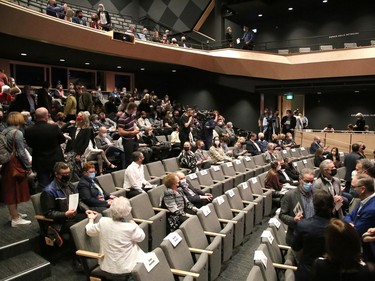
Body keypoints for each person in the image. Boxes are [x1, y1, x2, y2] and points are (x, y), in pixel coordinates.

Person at [85, 197, 145, 277]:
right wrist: (136, 225)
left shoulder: (103, 221)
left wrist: (91, 220)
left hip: (107, 266)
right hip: (127, 268)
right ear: (128, 211)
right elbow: (141, 237)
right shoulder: (131, 227)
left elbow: (89, 231)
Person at [41, 162, 90, 246]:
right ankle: (77, 253)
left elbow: (79, 201)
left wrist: (87, 209)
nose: (67, 175)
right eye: (64, 174)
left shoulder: (70, 186)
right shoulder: (49, 191)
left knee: (90, 219)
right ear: (56, 174)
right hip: (60, 222)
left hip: (72, 216)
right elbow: (48, 213)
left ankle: (90, 246)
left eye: (68, 173)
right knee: (77, 228)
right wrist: (65, 214)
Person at [292, 190, 334, 281]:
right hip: (332, 272)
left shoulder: (303, 225)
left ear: (314, 205)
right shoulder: (339, 227)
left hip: (308, 271)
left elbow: (295, 247)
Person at [1, 112, 32, 227]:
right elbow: (21, 152)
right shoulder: (17, 133)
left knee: (11, 190)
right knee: (13, 192)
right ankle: (15, 218)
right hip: (15, 165)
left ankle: (14, 214)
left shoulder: (5, 130)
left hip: (7, 165)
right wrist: (28, 167)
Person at [25, 107, 65, 190]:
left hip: (40, 160)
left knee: (44, 185)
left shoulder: (29, 130)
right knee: (59, 182)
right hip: (55, 159)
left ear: (35, 117)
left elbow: (29, 144)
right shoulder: (54, 128)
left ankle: (47, 201)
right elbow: (62, 140)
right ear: (47, 117)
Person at [280, 168, 315, 245]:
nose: (309, 184)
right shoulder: (289, 195)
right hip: (297, 236)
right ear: (300, 180)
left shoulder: (316, 194)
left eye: (311, 181)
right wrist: (293, 219)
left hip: (313, 234)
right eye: (306, 181)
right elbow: (282, 215)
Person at [117, 102, 139, 168]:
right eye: (134, 109)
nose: (135, 111)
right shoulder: (122, 118)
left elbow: (133, 125)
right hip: (127, 141)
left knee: (136, 158)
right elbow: (120, 132)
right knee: (129, 160)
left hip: (134, 139)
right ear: (131, 109)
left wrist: (135, 131)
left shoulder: (132, 116)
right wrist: (132, 132)